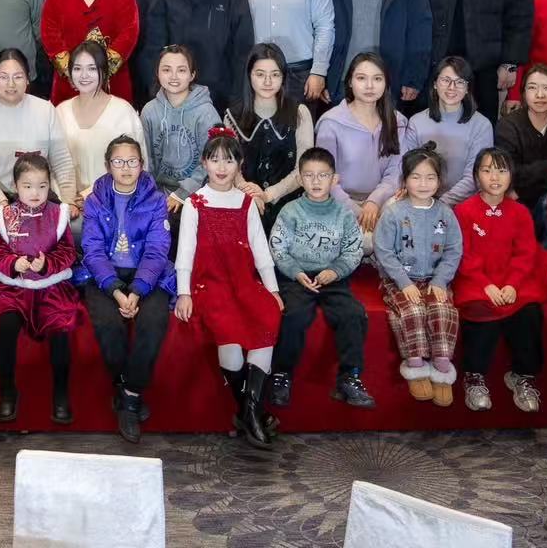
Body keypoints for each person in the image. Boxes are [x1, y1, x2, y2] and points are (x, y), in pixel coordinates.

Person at [173, 130, 284, 450]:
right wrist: (184, 292)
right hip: (210, 285)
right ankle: (254, 414)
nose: (222, 167)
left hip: (243, 282)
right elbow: (185, 252)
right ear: (204, 163)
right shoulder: (195, 203)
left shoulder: (246, 203)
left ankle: (249, 412)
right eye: (215, 160)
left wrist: (273, 289)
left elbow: (260, 249)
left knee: (267, 316)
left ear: (239, 165)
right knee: (231, 345)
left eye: (229, 160)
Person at [79, 135, 175, 443]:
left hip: (148, 273)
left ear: (141, 164)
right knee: (108, 324)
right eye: (118, 162)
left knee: (153, 321)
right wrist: (117, 291)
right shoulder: (95, 200)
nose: (125, 168)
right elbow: (92, 250)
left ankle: (130, 396)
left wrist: (137, 290)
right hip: (104, 274)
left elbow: (157, 250)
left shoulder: (156, 200)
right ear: (108, 166)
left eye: (132, 161)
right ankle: (123, 385)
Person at [266, 147, 374, 411]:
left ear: (334, 179)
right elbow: (277, 247)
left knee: (353, 314)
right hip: (296, 277)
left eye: (323, 175)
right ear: (300, 179)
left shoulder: (343, 214)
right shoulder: (290, 211)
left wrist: (336, 271)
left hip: (332, 277)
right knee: (293, 315)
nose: (316, 181)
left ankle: (349, 377)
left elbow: (353, 250)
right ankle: (281, 374)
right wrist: (295, 271)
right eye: (309, 175)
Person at [0, 153, 86, 422]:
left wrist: (47, 265)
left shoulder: (58, 214)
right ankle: (8, 392)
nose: (35, 193)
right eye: (28, 186)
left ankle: (61, 393)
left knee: (61, 330)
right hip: (14, 289)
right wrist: (13, 263)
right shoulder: (4, 216)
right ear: (15, 186)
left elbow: (68, 252)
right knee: (6, 327)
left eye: (42, 186)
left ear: (49, 185)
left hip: (52, 288)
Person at [452, 147, 547, 413]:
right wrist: (486, 285)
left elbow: (525, 253)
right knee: (480, 311)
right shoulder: (463, 211)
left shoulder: (520, 212)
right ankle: (474, 377)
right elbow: (463, 253)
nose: (494, 177)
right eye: (487, 170)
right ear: (476, 176)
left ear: (511, 175)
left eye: (501, 170)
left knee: (529, 313)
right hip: (476, 280)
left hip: (513, 281)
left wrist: (512, 284)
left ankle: (523, 376)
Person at [374, 146, 463, 405]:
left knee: (442, 309)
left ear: (439, 181)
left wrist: (440, 280)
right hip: (400, 280)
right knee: (413, 311)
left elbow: (453, 250)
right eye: (416, 177)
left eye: (430, 177)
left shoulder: (445, 213)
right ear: (404, 180)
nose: (423, 184)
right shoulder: (394, 212)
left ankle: (442, 368)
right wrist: (403, 283)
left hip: (435, 279)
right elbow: (383, 251)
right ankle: (415, 366)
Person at [0, 48, 79, 208]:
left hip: (43, 196)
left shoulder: (46, 110)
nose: (11, 84)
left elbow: (61, 161)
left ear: (27, 79)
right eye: (3, 77)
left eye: (18, 77)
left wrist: (69, 202)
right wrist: (3, 207)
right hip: (3, 198)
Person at [319, 53, 410, 236]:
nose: (370, 86)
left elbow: (396, 171)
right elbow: (324, 176)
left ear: (386, 83)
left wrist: (374, 201)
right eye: (361, 78)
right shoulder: (330, 123)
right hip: (339, 202)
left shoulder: (397, 121)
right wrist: (356, 210)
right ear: (350, 82)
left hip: (383, 200)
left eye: (377, 79)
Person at [226, 44, 314, 228]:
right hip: (242, 202)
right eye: (260, 74)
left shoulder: (299, 113)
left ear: (283, 77)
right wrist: (249, 193)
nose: (267, 82)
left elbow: (303, 168)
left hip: (289, 205)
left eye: (275, 75)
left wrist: (267, 195)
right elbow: (229, 165)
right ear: (249, 75)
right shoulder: (232, 116)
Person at [495, 64, 547, 246]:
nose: (540, 95)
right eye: (532, 88)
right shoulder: (508, 126)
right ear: (524, 93)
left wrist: (524, 187)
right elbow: (511, 174)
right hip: (516, 200)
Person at [55, 41, 147, 192]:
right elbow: (53, 164)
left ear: (103, 72)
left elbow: (136, 165)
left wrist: (92, 196)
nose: (84, 75)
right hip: (68, 200)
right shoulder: (61, 112)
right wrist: (67, 198)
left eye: (92, 68)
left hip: (113, 198)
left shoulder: (123, 111)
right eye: (77, 68)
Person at [141, 44, 222, 204]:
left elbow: (213, 160)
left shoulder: (206, 112)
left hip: (200, 194)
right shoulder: (149, 111)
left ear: (192, 75)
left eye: (181, 70)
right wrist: (151, 195)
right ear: (157, 73)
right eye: (167, 70)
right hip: (158, 194)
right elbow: (146, 160)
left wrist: (182, 194)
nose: (174, 76)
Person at [408, 57, 496, 204]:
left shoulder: (481, 125)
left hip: (464, 204)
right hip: (420, 199)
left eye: (460, 82)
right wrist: (426, 202)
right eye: (445, 80)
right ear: (435, 84)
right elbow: (408, 170)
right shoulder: (416, 122)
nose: (452, 87)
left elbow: (474, 177)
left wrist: (442, 204)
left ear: (467, 88)